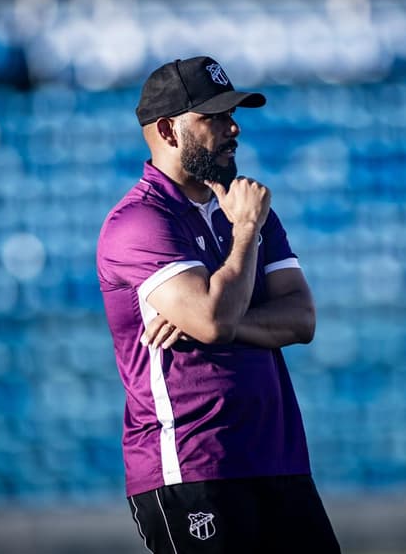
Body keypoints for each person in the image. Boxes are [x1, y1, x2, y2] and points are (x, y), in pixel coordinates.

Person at [96, 56, 340, 553]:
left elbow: (301, 318)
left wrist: (217, 318)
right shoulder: (140, 221)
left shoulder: (248, 206)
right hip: (193, 468)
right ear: (168, 130)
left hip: (278, 460)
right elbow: (214, 319)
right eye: (214, 116)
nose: (234, 128)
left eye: (233, 114)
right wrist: (244, 236)